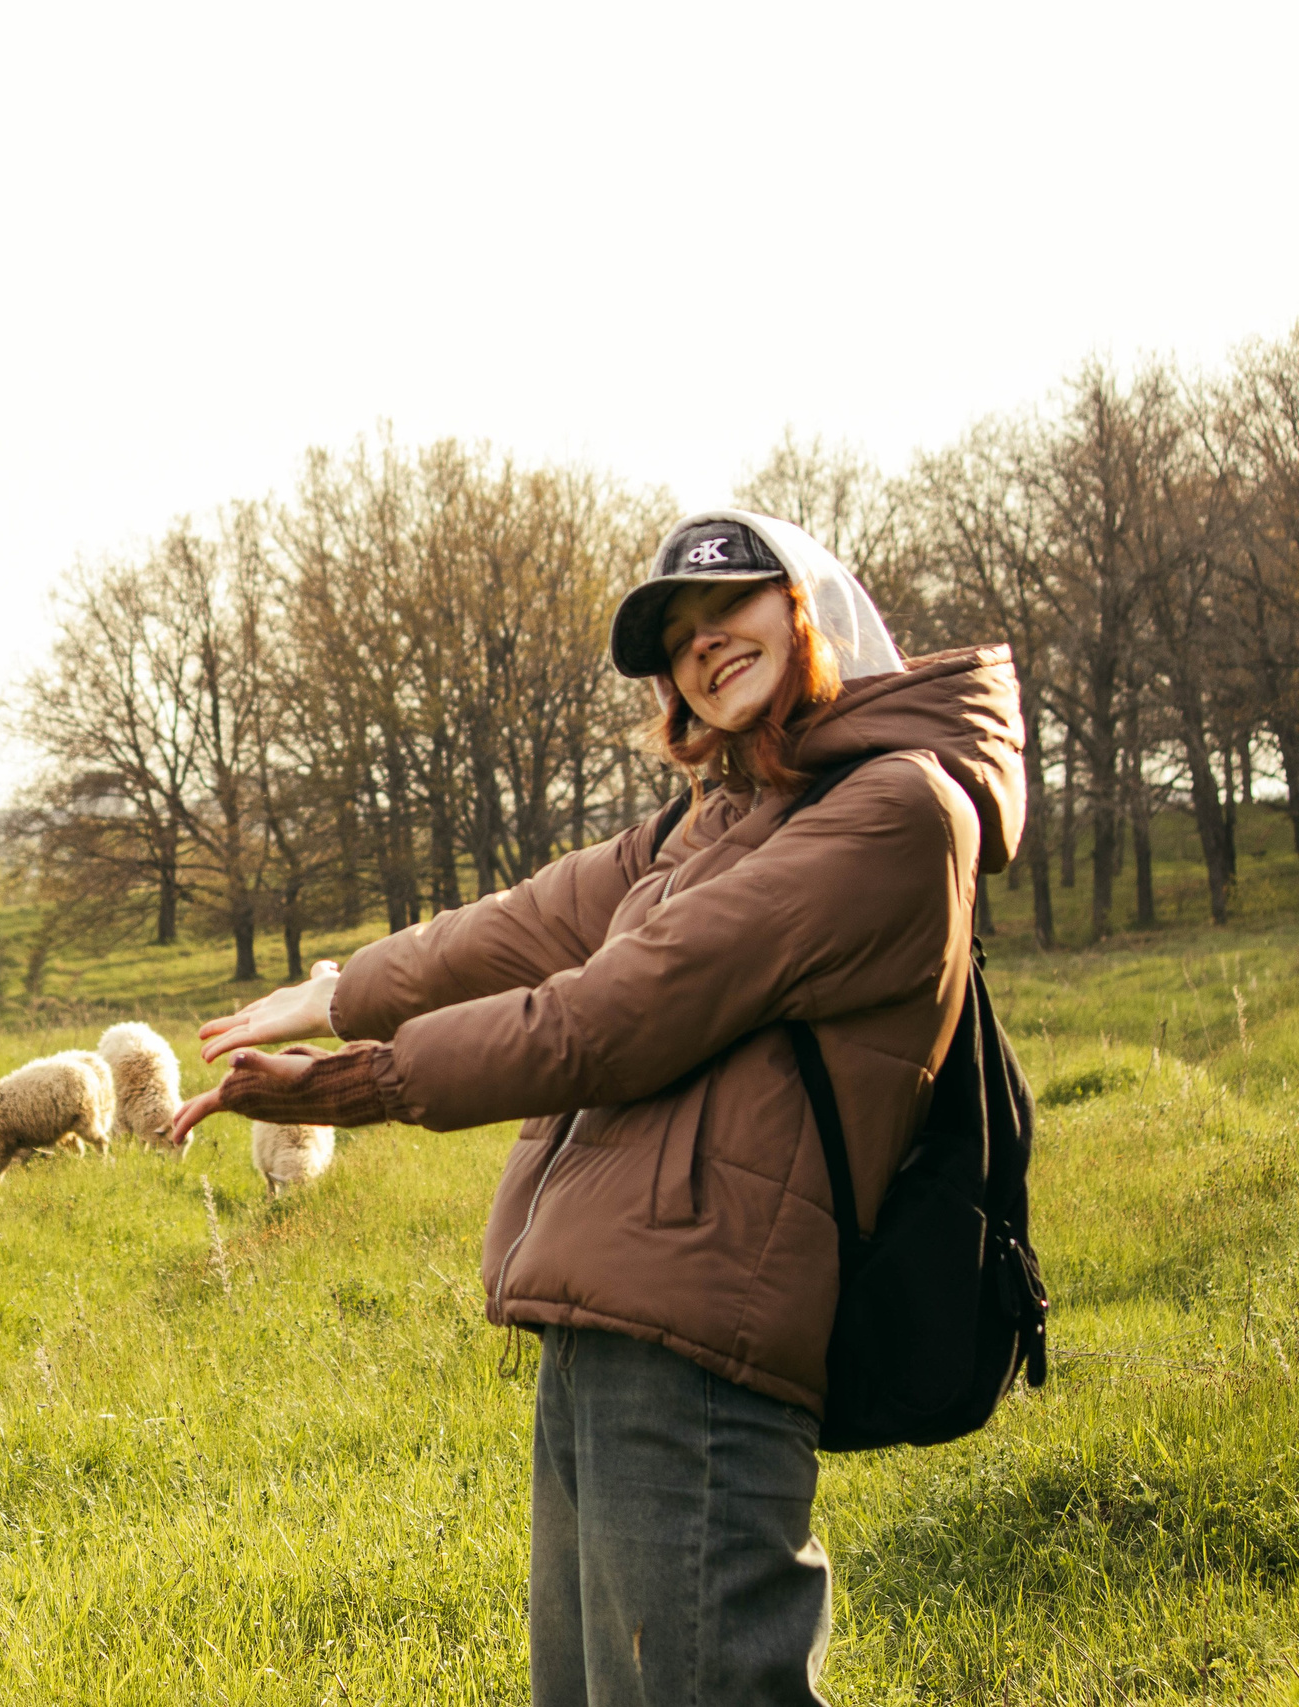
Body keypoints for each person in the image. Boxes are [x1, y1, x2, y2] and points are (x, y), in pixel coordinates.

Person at [170, 511, 1024, 1706]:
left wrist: (356, 1083)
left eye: (729, 608)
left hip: (706, 1327)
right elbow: (523, 924)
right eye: (677, 638)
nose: (703, 646)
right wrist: (330, 992)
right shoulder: (715, 817)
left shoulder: (891, 812)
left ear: (810, 608)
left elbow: (608, 1016)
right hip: (608, 1317)